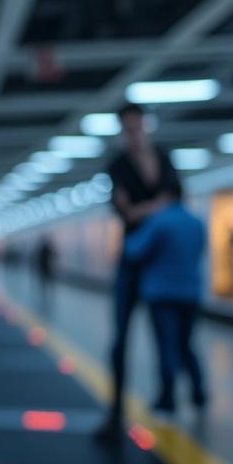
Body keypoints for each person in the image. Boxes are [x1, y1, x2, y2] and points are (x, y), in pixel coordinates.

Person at [95, 102, 181, 441]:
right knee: (120, 338)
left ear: (145, 125)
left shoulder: (163, 156)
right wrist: (157, 205)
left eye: (137, 126)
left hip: (160, 261)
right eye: (128, 128)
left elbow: (169, 202)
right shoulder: (116, 166)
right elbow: (126, 213)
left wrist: (142, 209)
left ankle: (167, 400)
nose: (134, 133)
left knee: (166, 336)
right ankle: (115, 411)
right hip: (132, 261)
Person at [123, 200, 206, 413]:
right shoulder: (196, 222)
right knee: (186, 344)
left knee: (165, 346)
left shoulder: (159, 222)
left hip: (162, 294)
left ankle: (167, 398)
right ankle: (198, 391)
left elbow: (134, 250)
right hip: (190, 293)